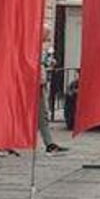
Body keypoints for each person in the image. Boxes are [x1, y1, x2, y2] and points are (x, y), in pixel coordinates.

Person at [39, 26, 69, 155]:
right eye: (48, 33)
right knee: (41, 115)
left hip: (40, 83)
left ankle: (49, 144)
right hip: (34, 84)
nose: (50, 36)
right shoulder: (36, 47)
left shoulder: (42, 47)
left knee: (43, 115)